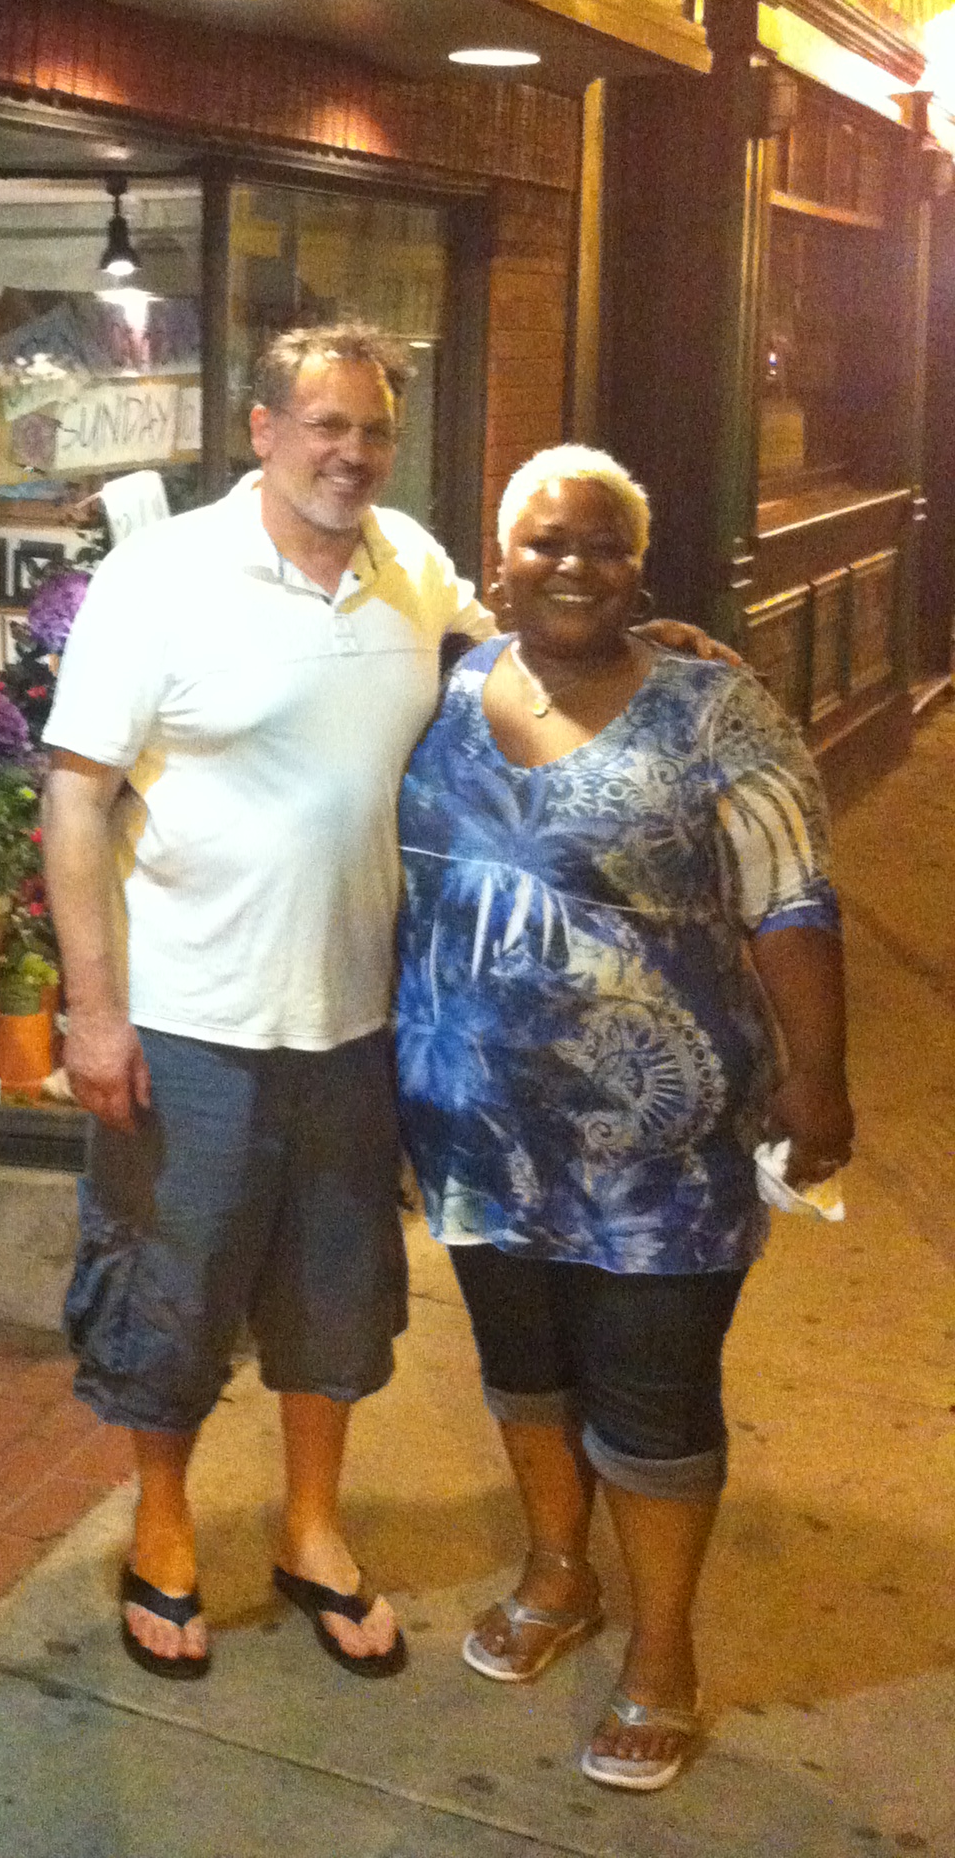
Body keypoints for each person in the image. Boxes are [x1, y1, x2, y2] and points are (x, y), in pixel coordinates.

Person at [395, 445, 853, 1792]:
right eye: (545, 543)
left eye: (603, 545)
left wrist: (819, 1076)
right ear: (498, 563)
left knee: (654, 1396)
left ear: (640, 569)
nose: (574, 566)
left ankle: (663, 1651)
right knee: (525, 1368)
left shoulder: (716, 709)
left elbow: (790, 897)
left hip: (663, 1150)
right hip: (475, 1123)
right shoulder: (444, 689)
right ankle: (558, 1573)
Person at [42, 323, 492, 1680]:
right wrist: (93, 1012)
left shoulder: (411, 565)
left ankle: (311, 1530)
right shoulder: (164, 575)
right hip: (189, 1021)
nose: (351, 454)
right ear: (263, 429)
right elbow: (75, 798)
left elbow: (510, 658)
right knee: (168, 1291)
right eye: (325, 425)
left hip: (356, 1020)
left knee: (335, 1295)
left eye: (373, 430)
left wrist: (651, 651)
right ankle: (164, 1528)